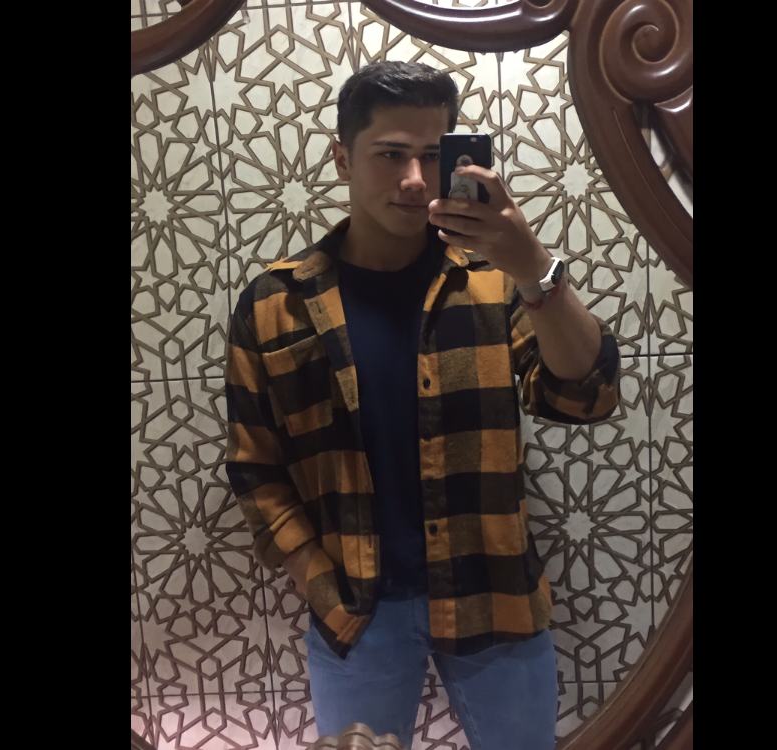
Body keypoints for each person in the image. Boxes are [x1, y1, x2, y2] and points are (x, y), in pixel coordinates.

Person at [225, 61, 620, 750]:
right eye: (391, 155)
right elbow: (255, 469)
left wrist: (536, 268)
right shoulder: (274, 305)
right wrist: (317, 581)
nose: (415, 179)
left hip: (494, 596)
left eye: (434, 157)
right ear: (342, 159)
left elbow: (585, 396)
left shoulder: (495, 281)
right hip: (357, 610)